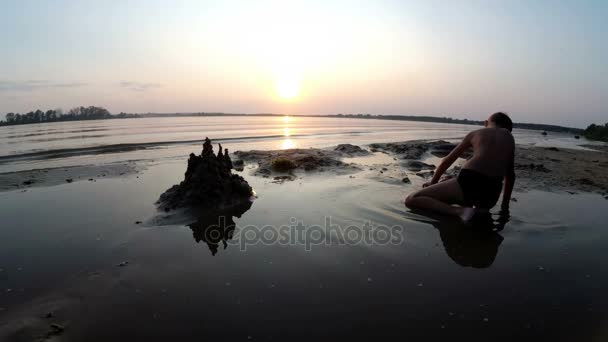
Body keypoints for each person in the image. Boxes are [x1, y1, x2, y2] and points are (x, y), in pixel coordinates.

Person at [404, 112, 516, 222]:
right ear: (508, 129)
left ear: (486, 123)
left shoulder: (476, 133)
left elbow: (447, 161)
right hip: (492, 192)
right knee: (458, 190)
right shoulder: (509, 138)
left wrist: (433, 182)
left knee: (412, 199)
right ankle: (479, 211)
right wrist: (504, 207)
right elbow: (510, 176)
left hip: (469, 181)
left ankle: (458, 211)